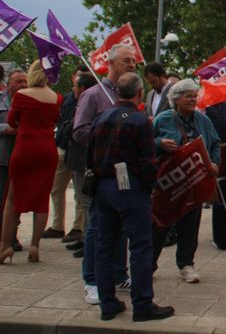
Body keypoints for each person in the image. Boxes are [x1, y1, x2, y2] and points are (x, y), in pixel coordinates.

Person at [89, 72, 174, 322]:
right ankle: (142, 303)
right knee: (140, 245)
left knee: (104, 245)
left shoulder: (101, 117)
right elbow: (148, 160)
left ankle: (107, 303)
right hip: (130, 188)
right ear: (139, 93)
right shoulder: (139, 121)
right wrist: (150, 186)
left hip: (103, 185)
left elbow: (90, 154)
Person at [73, 43, 136, 304]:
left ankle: (119, 273)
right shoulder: (93, 95)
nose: (132, 65)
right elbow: (78, 132)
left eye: (133, 62)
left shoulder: (130, 97)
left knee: (121, 225)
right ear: (110, 64)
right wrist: (107, 133)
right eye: (126, 61)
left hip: (125, 172)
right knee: (97, 226)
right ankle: (91, 280)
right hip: (101, 172)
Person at [152, 79, 221, 283]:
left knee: (190, 225)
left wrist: (215, 163)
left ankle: (186, 264)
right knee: (159, 224)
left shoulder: (202, 120)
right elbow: (145, 143)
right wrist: (159, 143)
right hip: (169, 183)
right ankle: (149, 264)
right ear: (176, 99)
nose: (193, 99)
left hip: (194, 182)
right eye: (188, 95)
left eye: (194, 95)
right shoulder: (163, 119)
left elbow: (215, 144)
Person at [0, 61, 62, 264]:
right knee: (42, 200)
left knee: (12, 199)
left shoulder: (21, 96)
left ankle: (5, 245)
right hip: (47, 150)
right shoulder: (56, 98)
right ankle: (35, 245)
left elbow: (11, 121)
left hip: (25, 148)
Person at [44, 66, 89, 242]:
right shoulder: (68, 98)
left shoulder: (88, 99)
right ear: (73, 78)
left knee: (80, 192)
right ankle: (57, 225)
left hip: (78, 151)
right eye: (78, 79)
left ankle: (78, 227)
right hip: (63, 147)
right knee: (56, 188)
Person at [65, 73, 99, 255]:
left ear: (83, 89)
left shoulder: (88, 105)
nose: (73, 89)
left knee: (87, 202)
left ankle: (89, 241)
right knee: (81, 200)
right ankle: (86, 237)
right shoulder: (78, 103)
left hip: (83, 159)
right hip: (77, 158)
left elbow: (74, 130)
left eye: (76, 86)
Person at [0, 69, 27, 252]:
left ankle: (11, 235)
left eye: (25, 81)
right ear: (9, 83)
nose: (23, 85)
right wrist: (5, 129)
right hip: (2, 156)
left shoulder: (29, 100)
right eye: (18, 81)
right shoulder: (1, 99)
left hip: (22, 156)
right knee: (2, 198)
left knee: (18, 199)